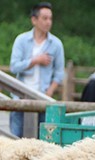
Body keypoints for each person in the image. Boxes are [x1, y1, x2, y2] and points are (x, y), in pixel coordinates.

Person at [9, 2, 65, 137]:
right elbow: (14, 66)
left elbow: (59, 73)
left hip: (43, 98)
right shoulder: (21, 40)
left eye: (50, 18)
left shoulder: (56, 44)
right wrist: (35, 60)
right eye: (44, 18)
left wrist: (49, 93)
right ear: (34, 20)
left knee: (41, 140)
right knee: (15, 138)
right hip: (20, 98)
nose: (48, 22)